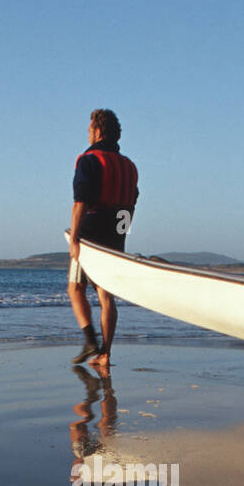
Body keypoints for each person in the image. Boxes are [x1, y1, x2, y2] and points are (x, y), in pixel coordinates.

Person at [68, 109, 138, 369]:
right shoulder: (130, 166)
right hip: (116, 233)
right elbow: (131, 204)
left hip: (91, 234)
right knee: (105, 295)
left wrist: (75, 239)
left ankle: (89, 341)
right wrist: (122, 235)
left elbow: (80, 203)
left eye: (89, 129)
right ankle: (105, 354)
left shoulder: (89, 160)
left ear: (98, 131)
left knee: (75, 288)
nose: (87, 134)